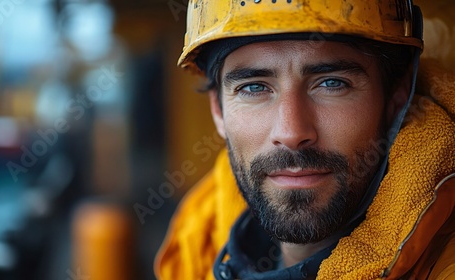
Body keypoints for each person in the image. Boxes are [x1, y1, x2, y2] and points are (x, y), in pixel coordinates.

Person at [155, 0, 455, 279]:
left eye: (331, 83)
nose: (291, 133)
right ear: (218, 110)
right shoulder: (196, 245)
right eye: (253, 88)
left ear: (396, 96)